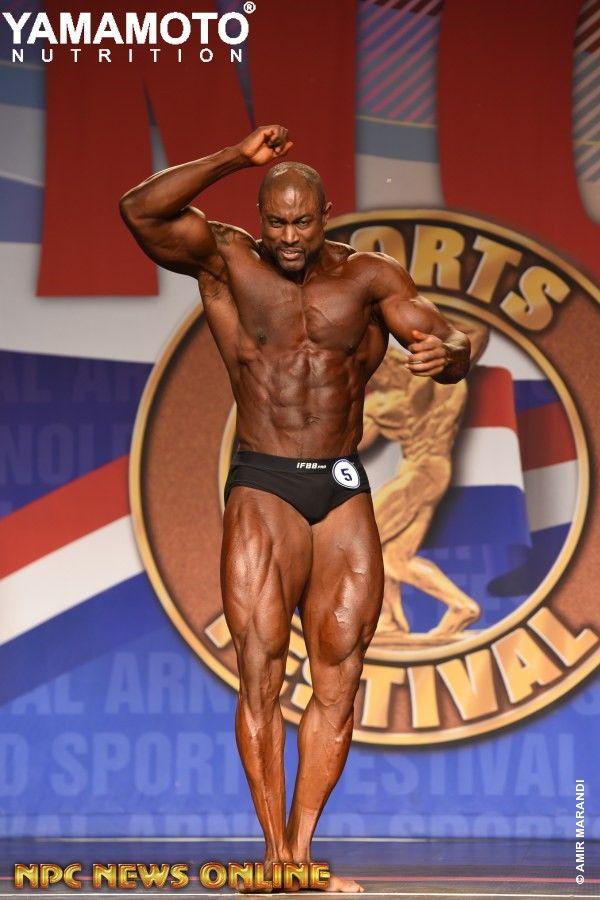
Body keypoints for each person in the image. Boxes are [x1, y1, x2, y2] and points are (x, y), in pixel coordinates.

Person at [120, 125, 470, 893]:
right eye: (275, 221)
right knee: (261, 670)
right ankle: (272, 856)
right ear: (259, 217)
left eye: (301, 222)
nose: (287, 236)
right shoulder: (227, 260)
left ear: (326, 216)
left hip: (340, 485)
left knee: (340, 676)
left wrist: (450, 354)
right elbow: (140, 211)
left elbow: (444, 339)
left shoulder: (369, 277)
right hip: (265, 481)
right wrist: (229, 157)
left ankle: (301, 858)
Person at [360, 318, 489, 642]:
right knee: (394, 559)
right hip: (421, 472)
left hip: (424, 470)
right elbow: (351, 444)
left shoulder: (440, 380)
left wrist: (417, 319)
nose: (380, 375)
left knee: (366, 537)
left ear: (397, 361)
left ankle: (388, 618)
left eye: (383, 366)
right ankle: (459, 607)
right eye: (374, 372)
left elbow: (478, 333)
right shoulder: (380, 404)